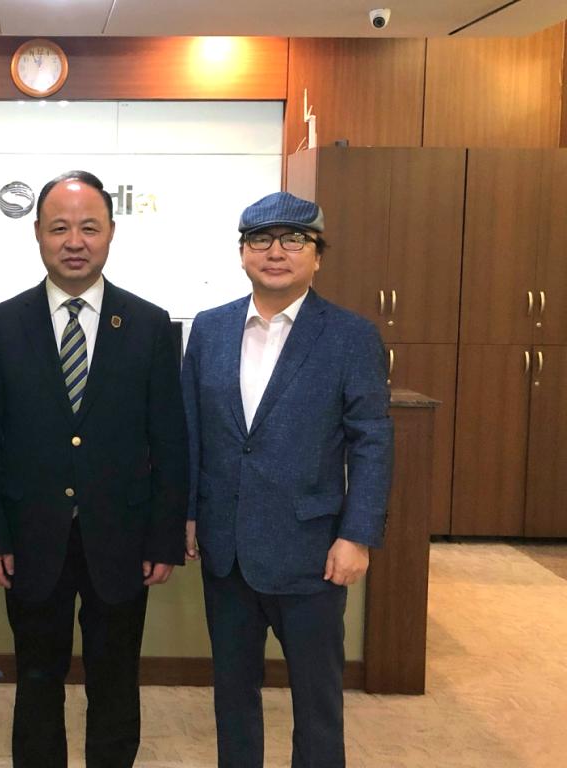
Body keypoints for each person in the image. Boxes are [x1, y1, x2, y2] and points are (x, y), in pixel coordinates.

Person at [0, 171, 188, 768]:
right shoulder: (1, 325)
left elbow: (170, 442)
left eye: (89, 227)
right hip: (30, 536)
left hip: (123, 537)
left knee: (115, 680)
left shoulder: (149, 324)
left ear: (111, 233)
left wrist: (165, 536)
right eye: (59, 228)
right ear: (37, 234)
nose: (74, 241)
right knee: (37, 679)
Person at [181, 191, 393, 768]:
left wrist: (357, 535)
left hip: (312, 550)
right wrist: (189, 512)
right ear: (242, 253)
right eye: (260, 239)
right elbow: (192, 430)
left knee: (317, 699)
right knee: (233, 694)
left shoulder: (350, 336)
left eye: (294, 239)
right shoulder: (210, 328)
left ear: (317, 255)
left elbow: (372, 441)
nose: (275, 252)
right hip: (226, 549)